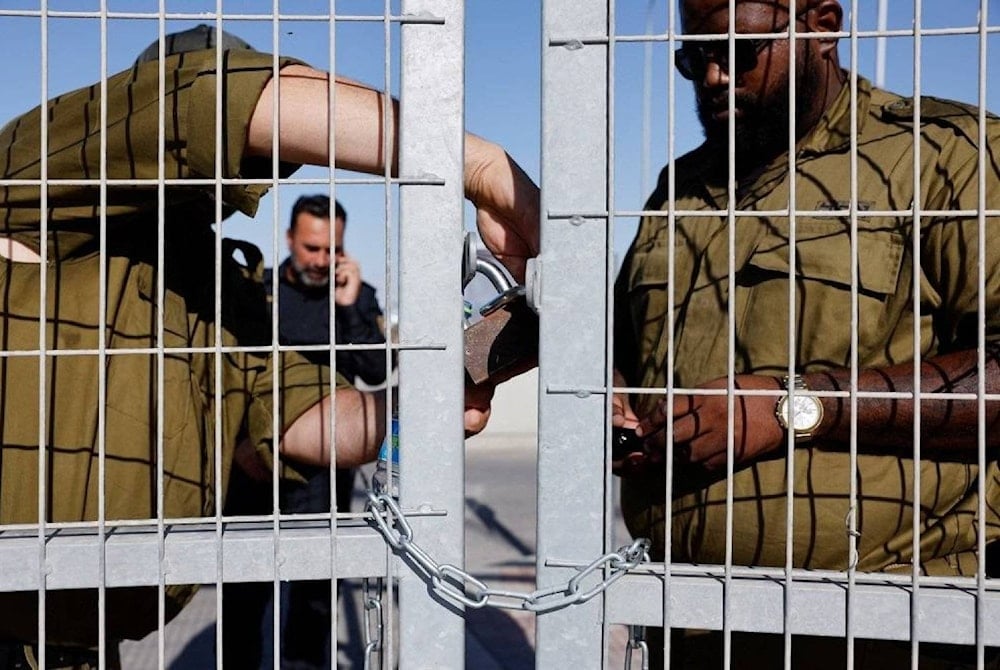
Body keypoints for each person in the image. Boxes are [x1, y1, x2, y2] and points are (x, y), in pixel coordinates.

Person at [0, 23, 538, 669]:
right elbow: (215, 97)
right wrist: (479, 166)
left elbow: (297, 414)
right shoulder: (34, 175)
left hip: (78, 638)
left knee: (308, 603)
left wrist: (442, 390)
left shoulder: (210, 281)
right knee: (249, 610)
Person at [612, 0, 1000, 667]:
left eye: (738, 52)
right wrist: (615, 401)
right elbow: (622, 351)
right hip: (692, 620)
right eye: (694, 57)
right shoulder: (679, 189)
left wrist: (795, 408)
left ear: (821, 26)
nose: (712, 77)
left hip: (895, 622)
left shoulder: (945, 154)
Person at [223, 194, 391, 670]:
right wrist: (238, 446)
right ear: (290, 239)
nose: (321, 260)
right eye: (312, 247)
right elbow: (232, 373)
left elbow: (377, 372)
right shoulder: (259, 293)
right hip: (254, 463)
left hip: (323, 471)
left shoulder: (356, 296)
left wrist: (353, 306)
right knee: (242, 591)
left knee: (316, 589)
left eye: (331, 249)